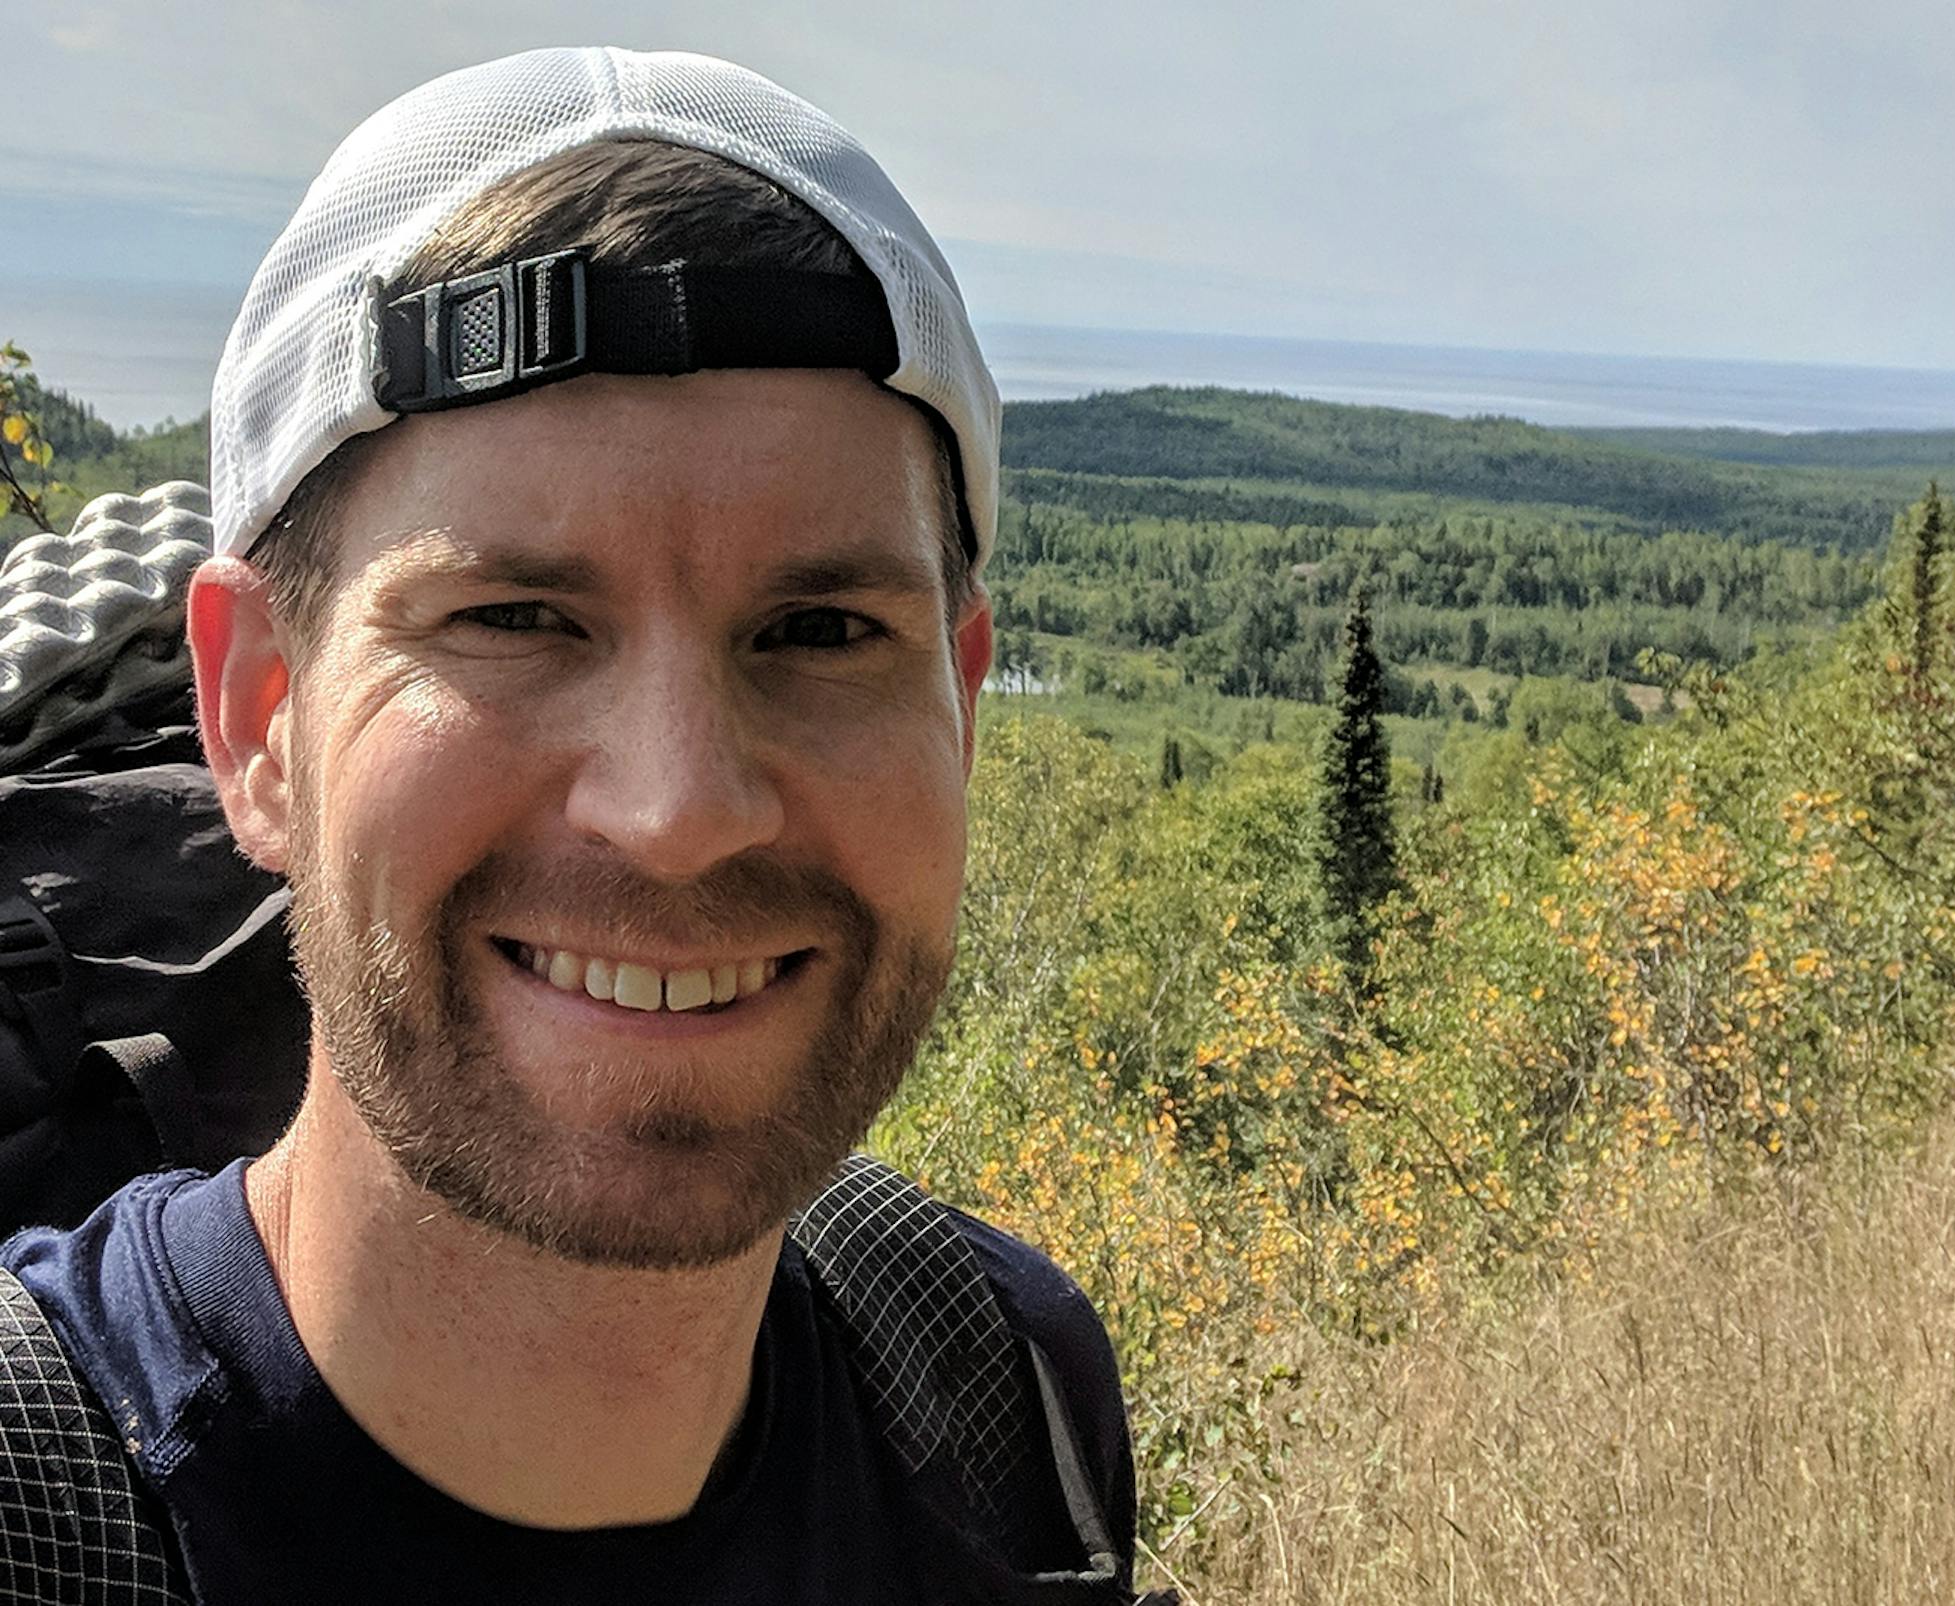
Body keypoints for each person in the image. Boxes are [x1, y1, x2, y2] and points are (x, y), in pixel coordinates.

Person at [0, 47, 1142, 1604]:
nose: (677, 811)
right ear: (258, 716)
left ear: (959, 699)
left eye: (818, 632)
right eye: (516, 615)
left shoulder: (1003, 1398)